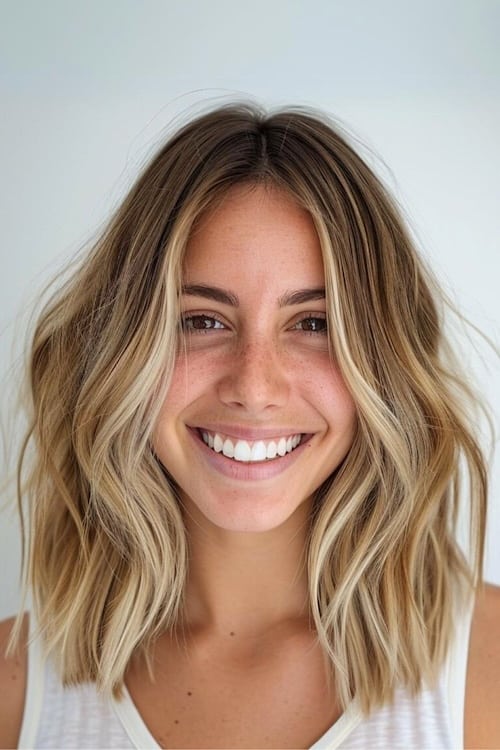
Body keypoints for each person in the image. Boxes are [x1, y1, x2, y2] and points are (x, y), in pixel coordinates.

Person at [0, 103, 498, 750]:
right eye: (202, 320)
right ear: (125, 352)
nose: (254, 386)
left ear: (384, 366)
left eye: (314, 324)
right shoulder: (14, 693)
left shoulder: (488, 672)